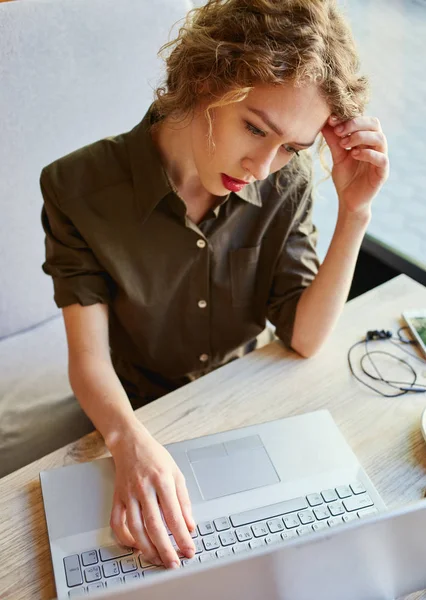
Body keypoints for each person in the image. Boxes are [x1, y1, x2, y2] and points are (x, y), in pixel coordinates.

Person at [40, 0, 389, 572]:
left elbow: (304, 337)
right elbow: (88, 359)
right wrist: (130, 444)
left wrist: (356, 212)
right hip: (134, 415)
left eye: (292, 148)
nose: (262, 165)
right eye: (254, 127)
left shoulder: (286, 181)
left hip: (243, 405)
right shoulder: (75, 186)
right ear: (204, 81)